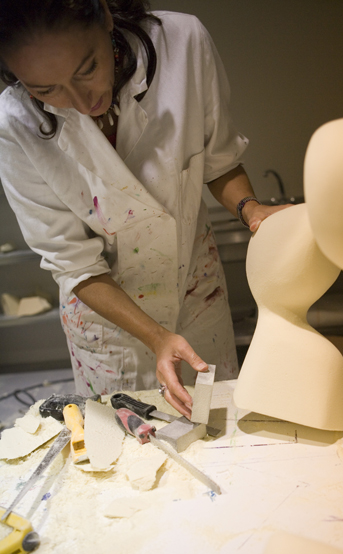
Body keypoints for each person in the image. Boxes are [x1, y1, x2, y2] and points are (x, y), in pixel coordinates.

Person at [0, 0, 287, 418]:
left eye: (87, 70)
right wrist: (156, 337)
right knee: (130, 443)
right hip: (107, 327)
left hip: (195, 292)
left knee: (219, 427)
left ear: (104, 16)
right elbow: (75, 263)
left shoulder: (182, 45)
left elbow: (219, 162)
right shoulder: (13, 125)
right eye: (46, 91)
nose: (80, 101)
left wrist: (251, 209)